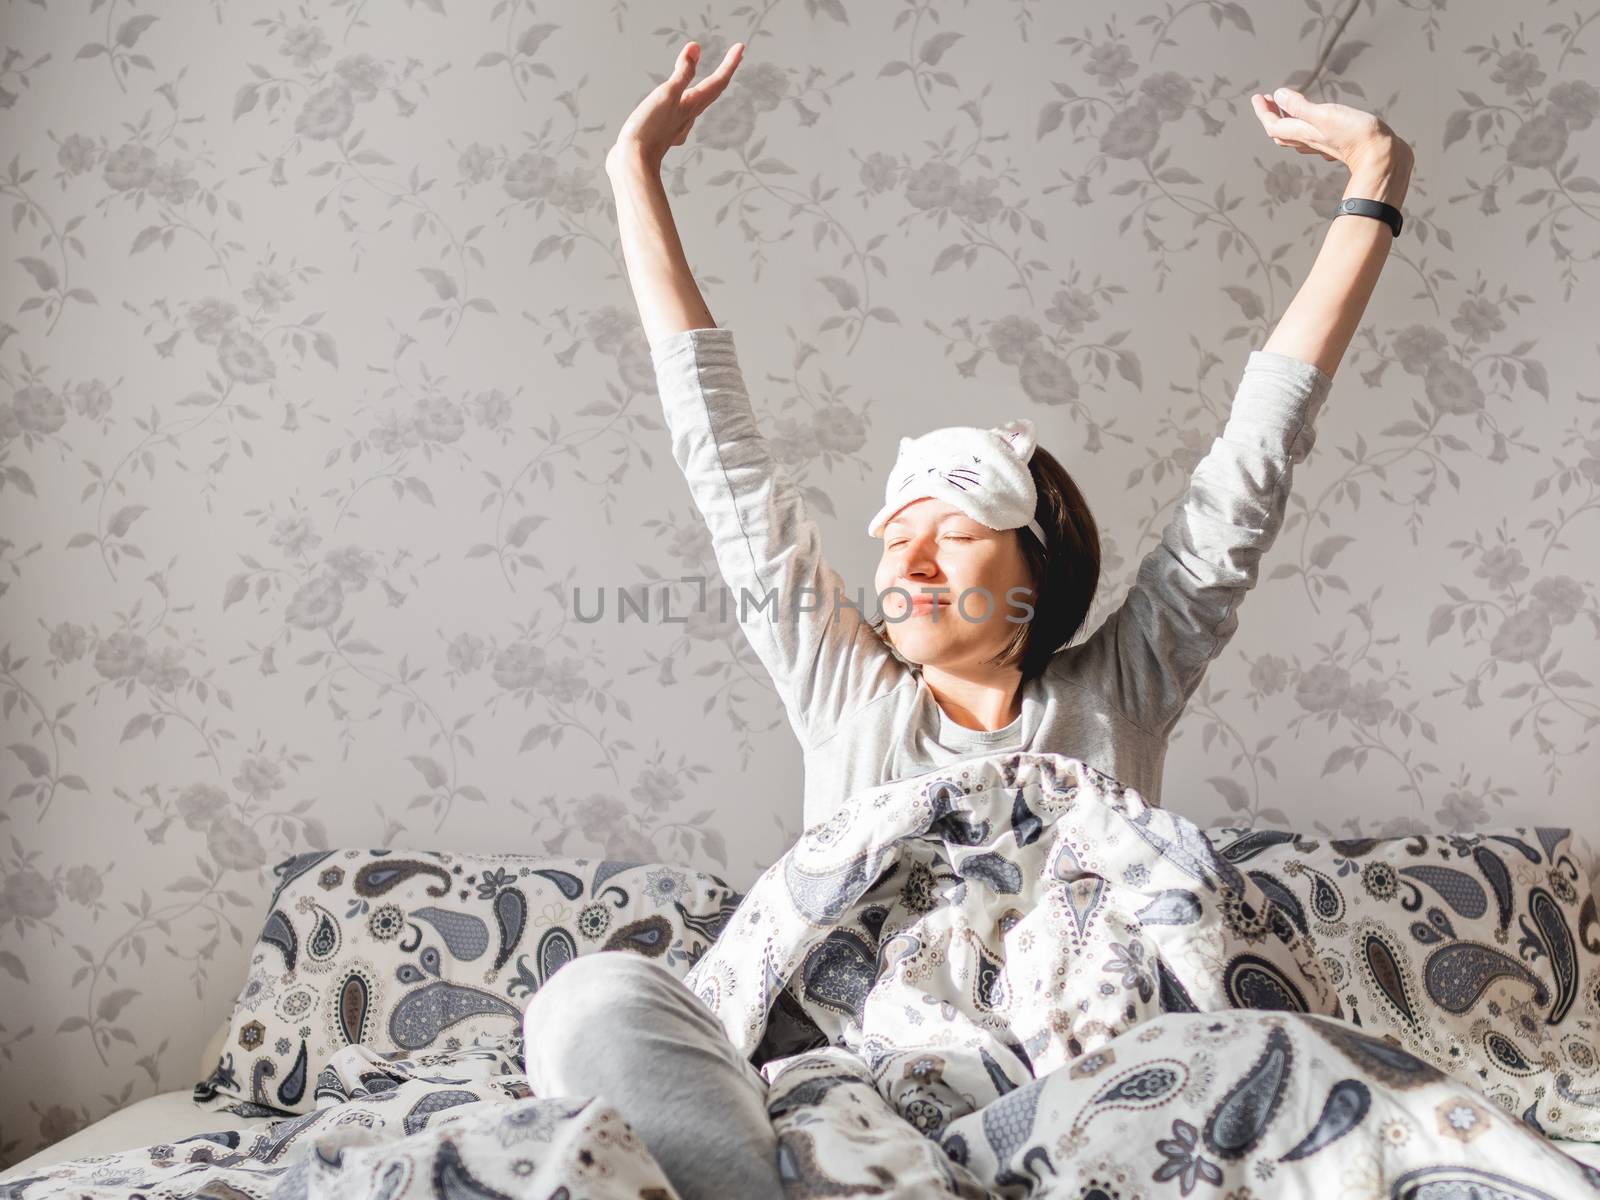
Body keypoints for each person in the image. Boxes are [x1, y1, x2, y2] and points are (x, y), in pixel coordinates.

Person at [521, 38, 1414, 1200]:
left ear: (1034, 573)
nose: (907, 553)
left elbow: (1254, 456)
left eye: (950, 528)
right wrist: (631, 172)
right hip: (845, 1075)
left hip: (1081, 1079)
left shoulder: (1115, 692)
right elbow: (723, 462)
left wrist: (1374, 184)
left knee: (1275, 1064)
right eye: (893, 535)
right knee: (591, 999)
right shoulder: (849, 694)